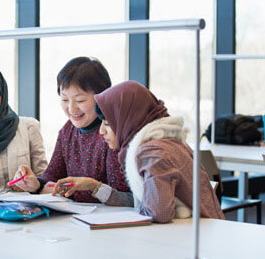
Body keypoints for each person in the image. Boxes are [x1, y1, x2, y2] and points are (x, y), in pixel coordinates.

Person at [94, 81, 225, 223]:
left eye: (108, 123)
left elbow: (159, 213)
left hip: (198, 238)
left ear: (128, 119)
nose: (101, 131)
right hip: (201, 231)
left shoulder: (152, 152)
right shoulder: (164, 141)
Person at [13, 57, 132, 205]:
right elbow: (52, 175)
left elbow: (121, 196)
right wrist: (35, 184)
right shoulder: (67, 130)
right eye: (64, 100)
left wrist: (67, 192)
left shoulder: (111, 133)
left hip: (108, 219)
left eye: (80, 100)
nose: (71, 109)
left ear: (102, 96)